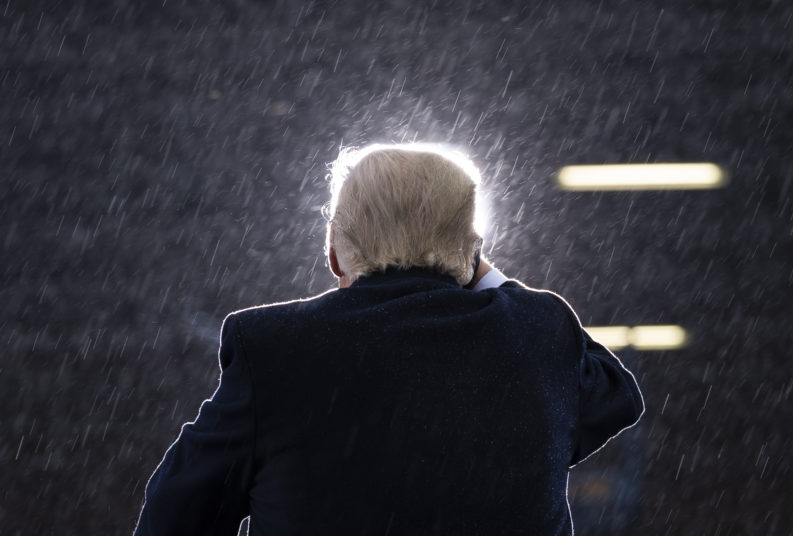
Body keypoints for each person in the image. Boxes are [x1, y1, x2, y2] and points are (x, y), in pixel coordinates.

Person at [133, 143, 644, 535]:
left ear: (334, 252)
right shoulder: (537, 329)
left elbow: (173, 514)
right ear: (469, 252)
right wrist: (480, 268)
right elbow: (616, 398)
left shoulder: (274, 348)